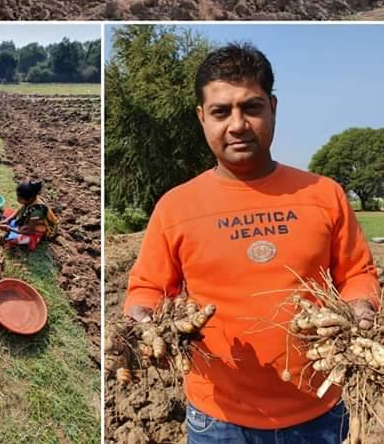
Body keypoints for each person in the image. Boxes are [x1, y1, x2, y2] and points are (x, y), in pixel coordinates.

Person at [122, 44, 378, 443]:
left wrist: (358, 309)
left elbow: (357, 273)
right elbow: (148, 288)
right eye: (222, 111)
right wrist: (143, 325)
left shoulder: (323, 194)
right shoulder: (175, 206)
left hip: (319, 416)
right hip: (217, 421)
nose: (237, 124)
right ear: (201, 117)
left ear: (273, 107)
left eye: (252, 107)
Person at [0, 180, 59, 251]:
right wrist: (8, 219)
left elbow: (30, 231)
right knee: (7, 212)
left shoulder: (37, 211)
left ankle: (33, 240)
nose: (17, 199)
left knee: (13, 239)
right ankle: (14, 228)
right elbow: (20, 210)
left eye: (19, 198)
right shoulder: (31, 200)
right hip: (26, 224)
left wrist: (9, 228)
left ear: (29, 198)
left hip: (34, 231)